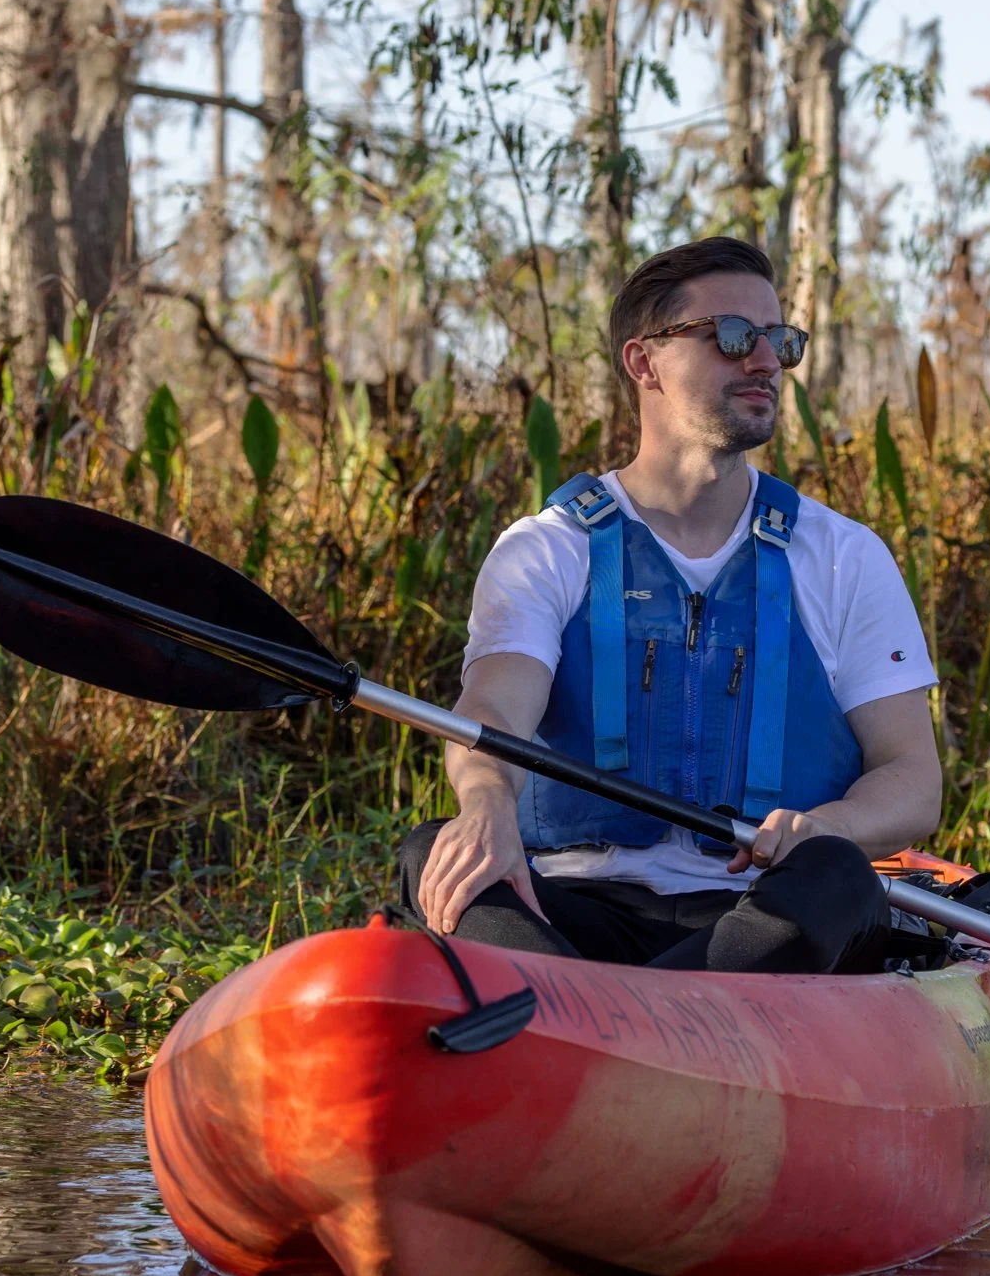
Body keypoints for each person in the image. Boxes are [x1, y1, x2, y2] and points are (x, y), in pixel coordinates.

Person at [398, 236, 942, 973]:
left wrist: (826, 825)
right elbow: (493, 709)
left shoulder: (844, 555)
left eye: (779, 341)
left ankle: (589, 1021)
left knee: (839, 879)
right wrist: (487, 797)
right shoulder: (546, 549)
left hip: (761, 914)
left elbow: (912, 777)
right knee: (431, 850)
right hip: (573, 907)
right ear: (643, 360)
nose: (764, 361)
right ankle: (608, 1017)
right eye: (731, 336)